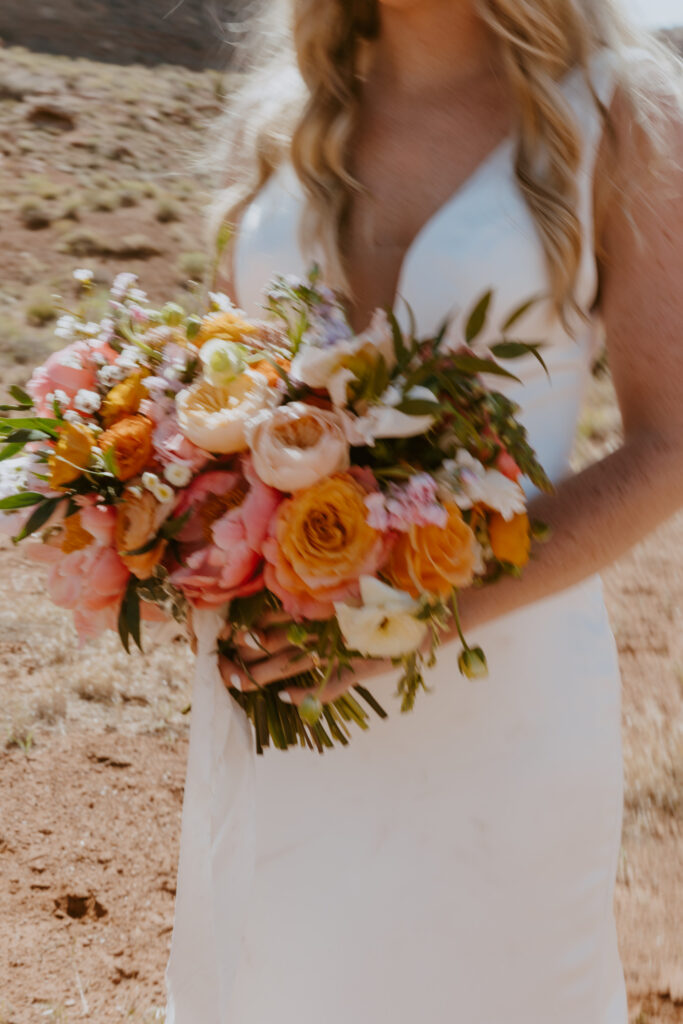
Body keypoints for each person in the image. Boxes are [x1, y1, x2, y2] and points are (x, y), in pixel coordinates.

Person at [165, 2, 683, 1022]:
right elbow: (223, 394)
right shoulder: (274, 120)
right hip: (283, 696)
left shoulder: (619, 114)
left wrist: (418, 615)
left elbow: (667, 442)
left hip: (503, 699)